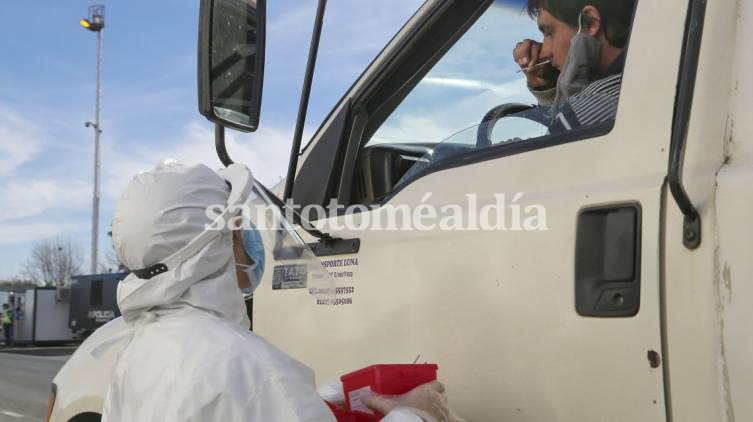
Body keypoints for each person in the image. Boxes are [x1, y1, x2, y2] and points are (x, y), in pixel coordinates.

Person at [101, 160, 457, 422]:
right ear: (220, 241)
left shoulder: (137, 352)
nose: (251, 235)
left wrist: (317, 401)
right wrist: (415, 414)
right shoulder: (246, 365)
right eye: (240, 223)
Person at [512, 0, 636, 132]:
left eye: (549, 33)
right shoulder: (633, 84)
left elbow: (555, 139)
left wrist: (572, 105)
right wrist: (547, 85)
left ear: (590, 24)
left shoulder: (587, 112)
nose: (543, 53)